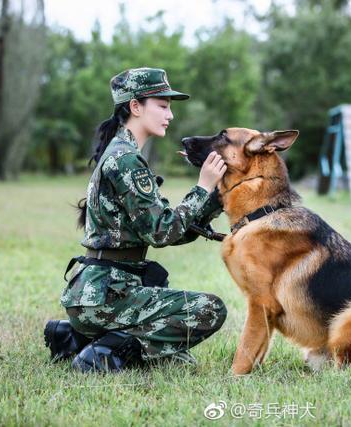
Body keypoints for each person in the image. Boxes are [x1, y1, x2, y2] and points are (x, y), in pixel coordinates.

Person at [43, 67, 228, 373]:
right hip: (105, 296)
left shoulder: (122, 152)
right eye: (163, 106)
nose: (170, 115)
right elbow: (162, 232)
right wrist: (202, 187)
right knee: (210, 309)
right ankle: (105, 351)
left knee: (178, 356)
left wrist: (213, 201)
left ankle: (74, 338)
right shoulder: (126, 159)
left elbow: (171, 229)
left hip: (97, 293)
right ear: (135, 107)